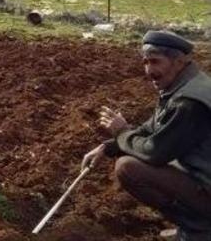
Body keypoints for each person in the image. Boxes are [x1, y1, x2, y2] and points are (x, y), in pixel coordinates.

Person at [82, 30, 211, 240]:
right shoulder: (188, 84)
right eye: (145, 62)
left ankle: (199, 231)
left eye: (155, 62)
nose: (149, 70)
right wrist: (108, 146)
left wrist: (122, 131)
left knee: (128, 168)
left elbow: (155, 152)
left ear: (178, 61)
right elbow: (151, 127)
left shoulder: (189, 102)